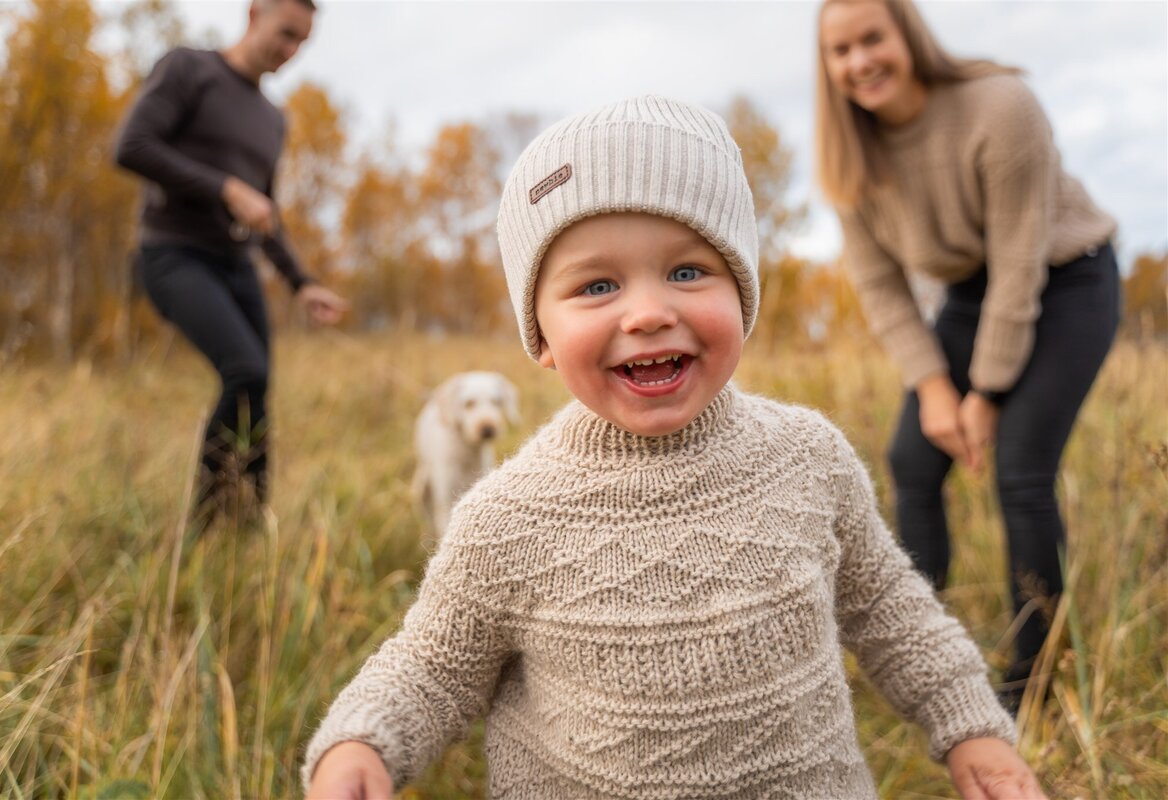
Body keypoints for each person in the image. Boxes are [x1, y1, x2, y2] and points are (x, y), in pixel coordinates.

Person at [302, 96, 1044, 800]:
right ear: (541, 337)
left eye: (689, 272)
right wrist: (361, 743)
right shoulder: (508, 515)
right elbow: (432, 668)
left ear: (743, 294)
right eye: (596, 286)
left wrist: (970, 726)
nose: (650, 313)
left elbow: (889, 607)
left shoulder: (809, 458)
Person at [815, 0, 1120, 710]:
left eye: (872, 39)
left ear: (908, 36)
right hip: (967, 293)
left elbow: (1020, 268)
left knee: (1019, 469)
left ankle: (1033, 679)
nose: (860, 61)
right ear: (827, 67)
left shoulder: (1000, 107)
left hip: (1068, 274)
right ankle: (924, 653)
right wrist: (933, 388)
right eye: (840, 50)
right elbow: (884, 291)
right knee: (911, 459)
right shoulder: (849, 157)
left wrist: (982, 392)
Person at [114, 0, 347, 523]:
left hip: (235, 264)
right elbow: (131, 145)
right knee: (243, 370)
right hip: (172, 253)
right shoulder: (189, 69)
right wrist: (224, 187)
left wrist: (301, 282)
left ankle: (248, 522)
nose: (290, 52)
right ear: (253, 14)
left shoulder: (271, 118)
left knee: (259, 389)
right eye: (285, 34)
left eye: (301, 43)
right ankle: (207, 522)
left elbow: (264, 214)